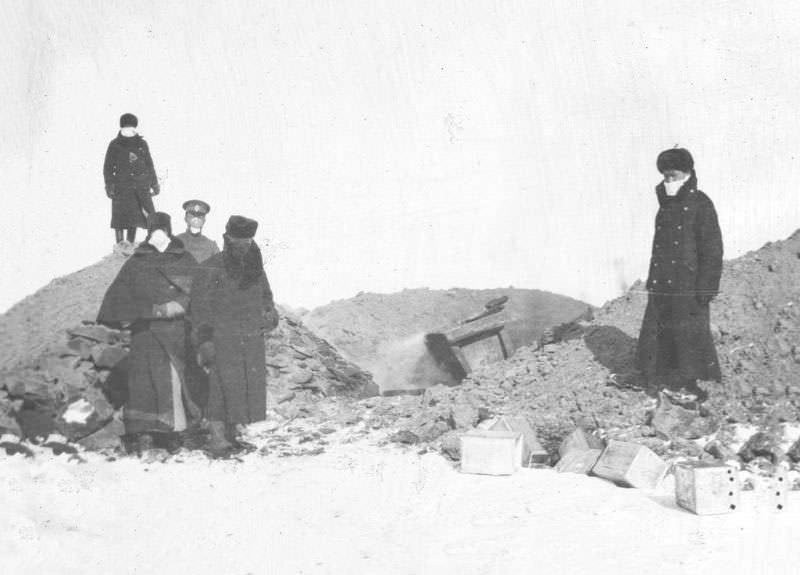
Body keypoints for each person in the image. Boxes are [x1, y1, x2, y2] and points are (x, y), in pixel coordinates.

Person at [97, 212, 200, 452]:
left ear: (169, 231)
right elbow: (118, 298)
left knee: (171, 383)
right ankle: (143, 432)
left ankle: (173, 433)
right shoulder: (136, 262)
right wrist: (153, 310)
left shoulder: (185, 259)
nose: (157, 235)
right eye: (153, 231)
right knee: (143, 384)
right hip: (145, 333)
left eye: (161, 230)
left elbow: (198, 292)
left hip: (175, 333)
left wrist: (180, 306)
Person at [636, 148, 723, 400]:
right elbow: (658, 247)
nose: (669, 182)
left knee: (688, 334)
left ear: (687, 173)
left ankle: (690, 385)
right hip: (663, 282)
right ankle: (654, 379)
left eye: (673, 175)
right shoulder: (665, 207)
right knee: (657, 330)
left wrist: (707, 287)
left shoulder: (701, 204)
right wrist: (653, 280)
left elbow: (712, 248)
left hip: (689, 283)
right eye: (665, 177)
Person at [190, 215, 279, 454]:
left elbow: (266, 296)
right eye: (238, 240)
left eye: (248, 241)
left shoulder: (255, 270)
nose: (243, 246)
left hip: (249, 339)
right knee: (219, 388)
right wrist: (204, 341)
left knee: (240, 389)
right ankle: (218, 440)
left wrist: (269, 313)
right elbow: (199, 307)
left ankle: (232, 436)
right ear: (227, 239)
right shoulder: (211, 267)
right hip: (221, 338)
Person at [103, 113, 160, 246]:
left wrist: (154, 184)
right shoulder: (115, 144)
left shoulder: (142, 144)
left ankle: (129, 244)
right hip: (121, 188)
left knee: (135, 218)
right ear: (121, 128)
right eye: (126, 129)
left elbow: (149, 165)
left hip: (139, 188)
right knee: (119, 219)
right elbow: (108, 168)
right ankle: (119, 245)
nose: (129, 132)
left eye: (131, 128)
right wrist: (109, 185)